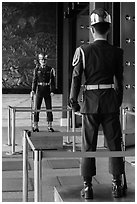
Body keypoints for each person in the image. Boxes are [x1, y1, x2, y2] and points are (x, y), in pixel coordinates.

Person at [69, 8, 125, 199]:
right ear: (108, 29)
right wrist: (116, 101)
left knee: (88, 146)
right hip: (109, 101)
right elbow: (120, 80)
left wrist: (73, 103)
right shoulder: (117, 52)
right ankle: (117, 185)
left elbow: (76, 78)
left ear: (92, 30)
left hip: (90, 103)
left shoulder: (83, 51)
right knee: (114, 145)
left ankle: (87, 187)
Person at [31, 53, 55, 132]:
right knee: (37, 108)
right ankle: (35, 126)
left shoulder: (50, 69)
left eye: (44, 60)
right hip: (39, 90)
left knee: (49, 108)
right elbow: (34, 81)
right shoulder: (37, 69)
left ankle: (49, 126)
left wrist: (52, 90)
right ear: (39, 61)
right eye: (42, 60)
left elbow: (52, 81)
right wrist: (33, 90)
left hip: (47, 89)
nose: (43, 61)